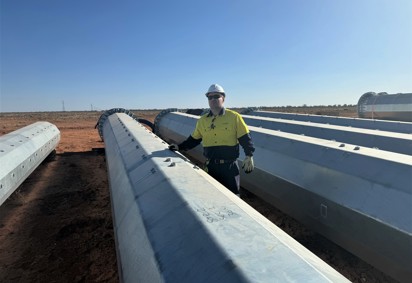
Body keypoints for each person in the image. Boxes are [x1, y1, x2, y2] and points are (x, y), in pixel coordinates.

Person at [169, 83, 255, 196]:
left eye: (216, 96)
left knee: (233, 197)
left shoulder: (234, 117)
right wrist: (179, 147)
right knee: (212, 196)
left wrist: (249, 154)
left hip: (229, 167)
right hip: (211, 166)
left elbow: (245, 138)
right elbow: (194, 139)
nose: (213, 99)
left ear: (223, 98)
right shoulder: (203, 121)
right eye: (210, 97)